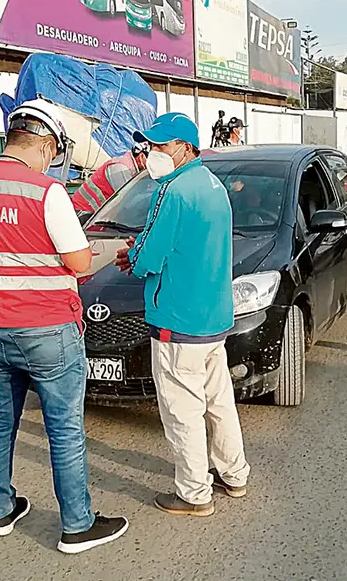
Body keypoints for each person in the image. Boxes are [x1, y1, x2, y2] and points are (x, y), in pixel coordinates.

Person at [0, 98, 129, 555]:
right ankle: (76, 525)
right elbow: (80, 260)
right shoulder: (46, 192)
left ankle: (0, 511)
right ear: (47, 145)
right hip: (47, 329)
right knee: (64, 428)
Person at [115, 112, 250, 517]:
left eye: (161, 145)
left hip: (178, 319)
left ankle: (194, 494)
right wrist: (143, 250)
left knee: (182, 410)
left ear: (185, 147)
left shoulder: (173, 190)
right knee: (218, 401)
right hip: (211, 316)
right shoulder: (212, 186)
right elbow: (183, 242)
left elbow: (149, 257)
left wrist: (134, 254)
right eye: (151, 145)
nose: (153, 152)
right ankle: (234, 475)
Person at [70, 143, 148, 214]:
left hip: (95, 215)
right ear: (141, 156)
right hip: (83, 213)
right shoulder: (121, 168)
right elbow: (128, 203)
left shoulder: (135, 169)